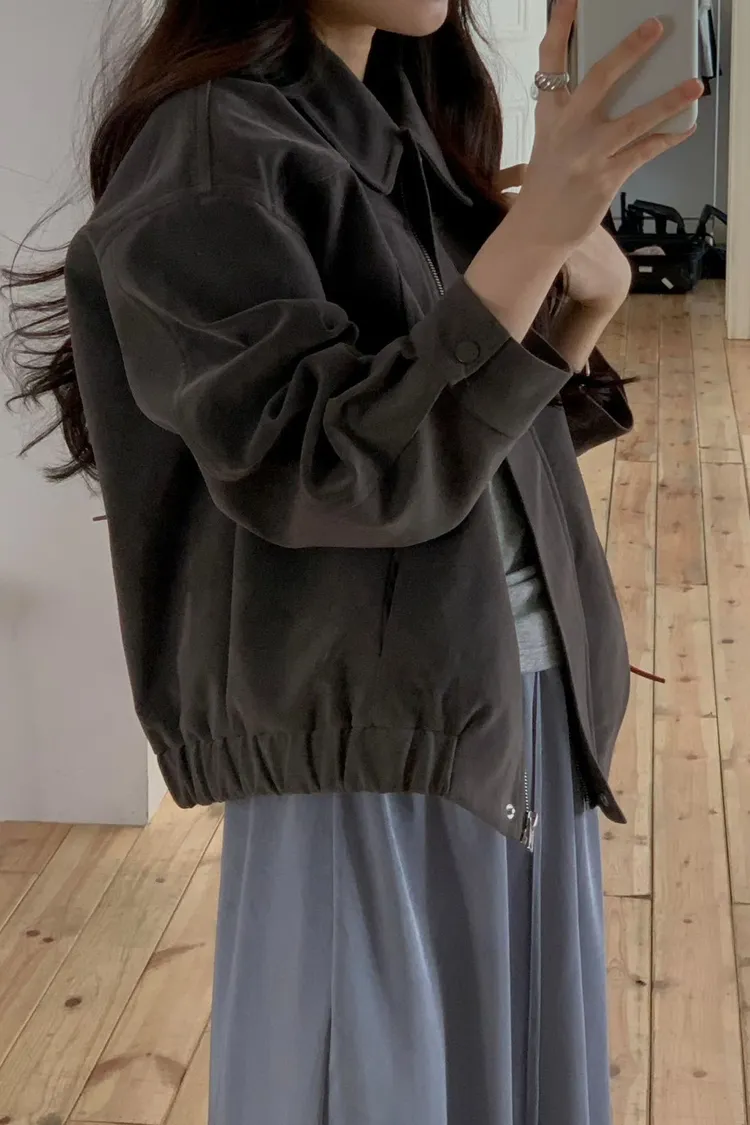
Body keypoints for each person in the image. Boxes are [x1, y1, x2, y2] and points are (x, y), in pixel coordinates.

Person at [3, 0, 701, 1120]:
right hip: (369, 741)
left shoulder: (394, 119)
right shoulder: (209, 151)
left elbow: (455, 455)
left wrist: (579, 307)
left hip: (512, 698)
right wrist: (529, 242)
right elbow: (323, 472)